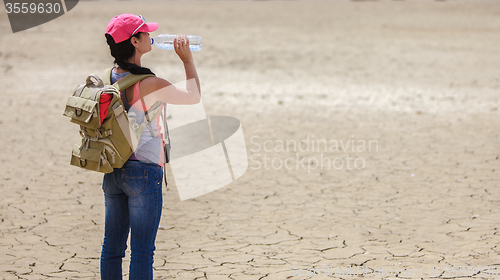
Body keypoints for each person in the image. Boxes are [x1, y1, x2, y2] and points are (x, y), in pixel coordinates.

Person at [101, 14, 201, 279]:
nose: (150, 36)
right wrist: (187, 60)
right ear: (135, 41)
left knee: (111, 250)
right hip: (144, 172)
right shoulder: (149, 83)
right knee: (142, 252)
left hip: (113, 169)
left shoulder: (107, 77)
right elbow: (193, 96)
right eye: (145, 33)